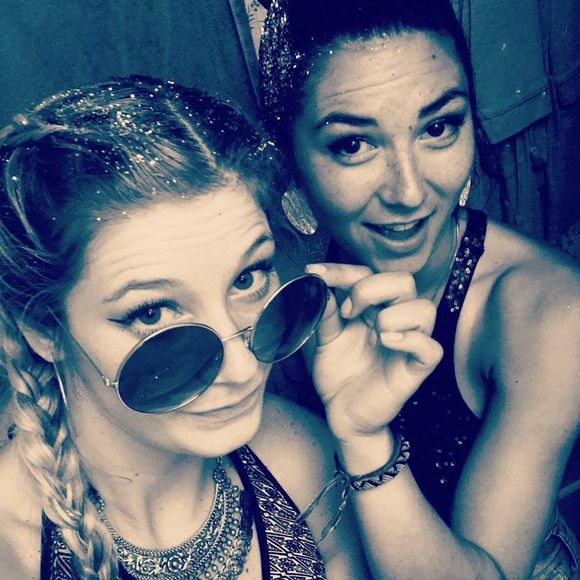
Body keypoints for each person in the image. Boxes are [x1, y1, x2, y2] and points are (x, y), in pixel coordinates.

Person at [0, 75, 444, 579]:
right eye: (153, 313)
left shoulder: (299, 458)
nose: (242, 368)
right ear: (45, 329)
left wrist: (366, 442)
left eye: (248, 279)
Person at [259, 0, 580, 578]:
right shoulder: (274, 282)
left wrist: (366, 441)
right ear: (290, 161)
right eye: (354, 144)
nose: (409, 192)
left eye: (437, 128)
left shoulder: (549, 309)